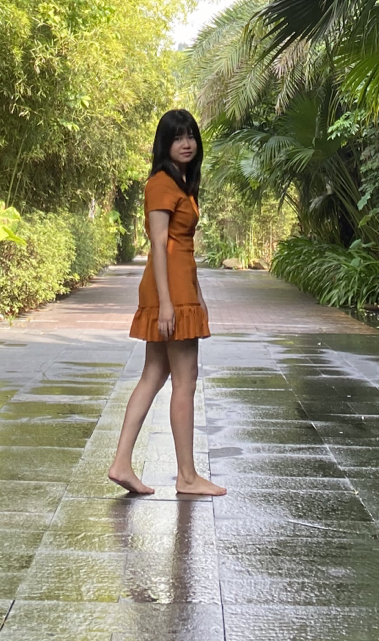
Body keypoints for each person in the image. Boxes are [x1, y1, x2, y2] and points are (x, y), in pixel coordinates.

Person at [106, 109, 226, 498]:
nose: (186, 143)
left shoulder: (181, 183)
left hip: (178, 287)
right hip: (169, 290)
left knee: (154, 375)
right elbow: (159, 245)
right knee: (184, 382)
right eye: (177, 137)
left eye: (190, 135)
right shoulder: (161, 184)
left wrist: (197, 294)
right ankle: (187, 476)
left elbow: (181, 247)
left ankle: (122, 463)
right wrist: (167, 304)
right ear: (165, 144)